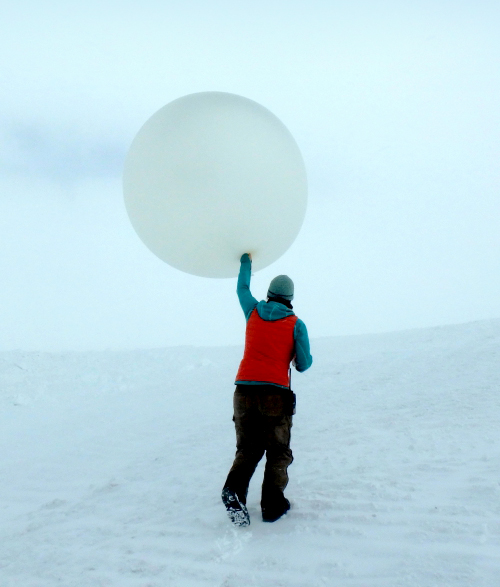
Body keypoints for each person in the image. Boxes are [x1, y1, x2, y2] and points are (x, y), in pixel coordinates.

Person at [221, 253, 312, 526]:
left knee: (248, 449)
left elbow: (242, 289)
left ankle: (233, 491)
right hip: (275, 395)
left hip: (243, 391)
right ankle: (272, 505)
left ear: (270, 294)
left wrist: (246, 262)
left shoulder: (252, 311)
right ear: (290, 298)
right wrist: (294, 355)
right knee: (278, 451)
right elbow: (304, 364)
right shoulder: (296, 324)